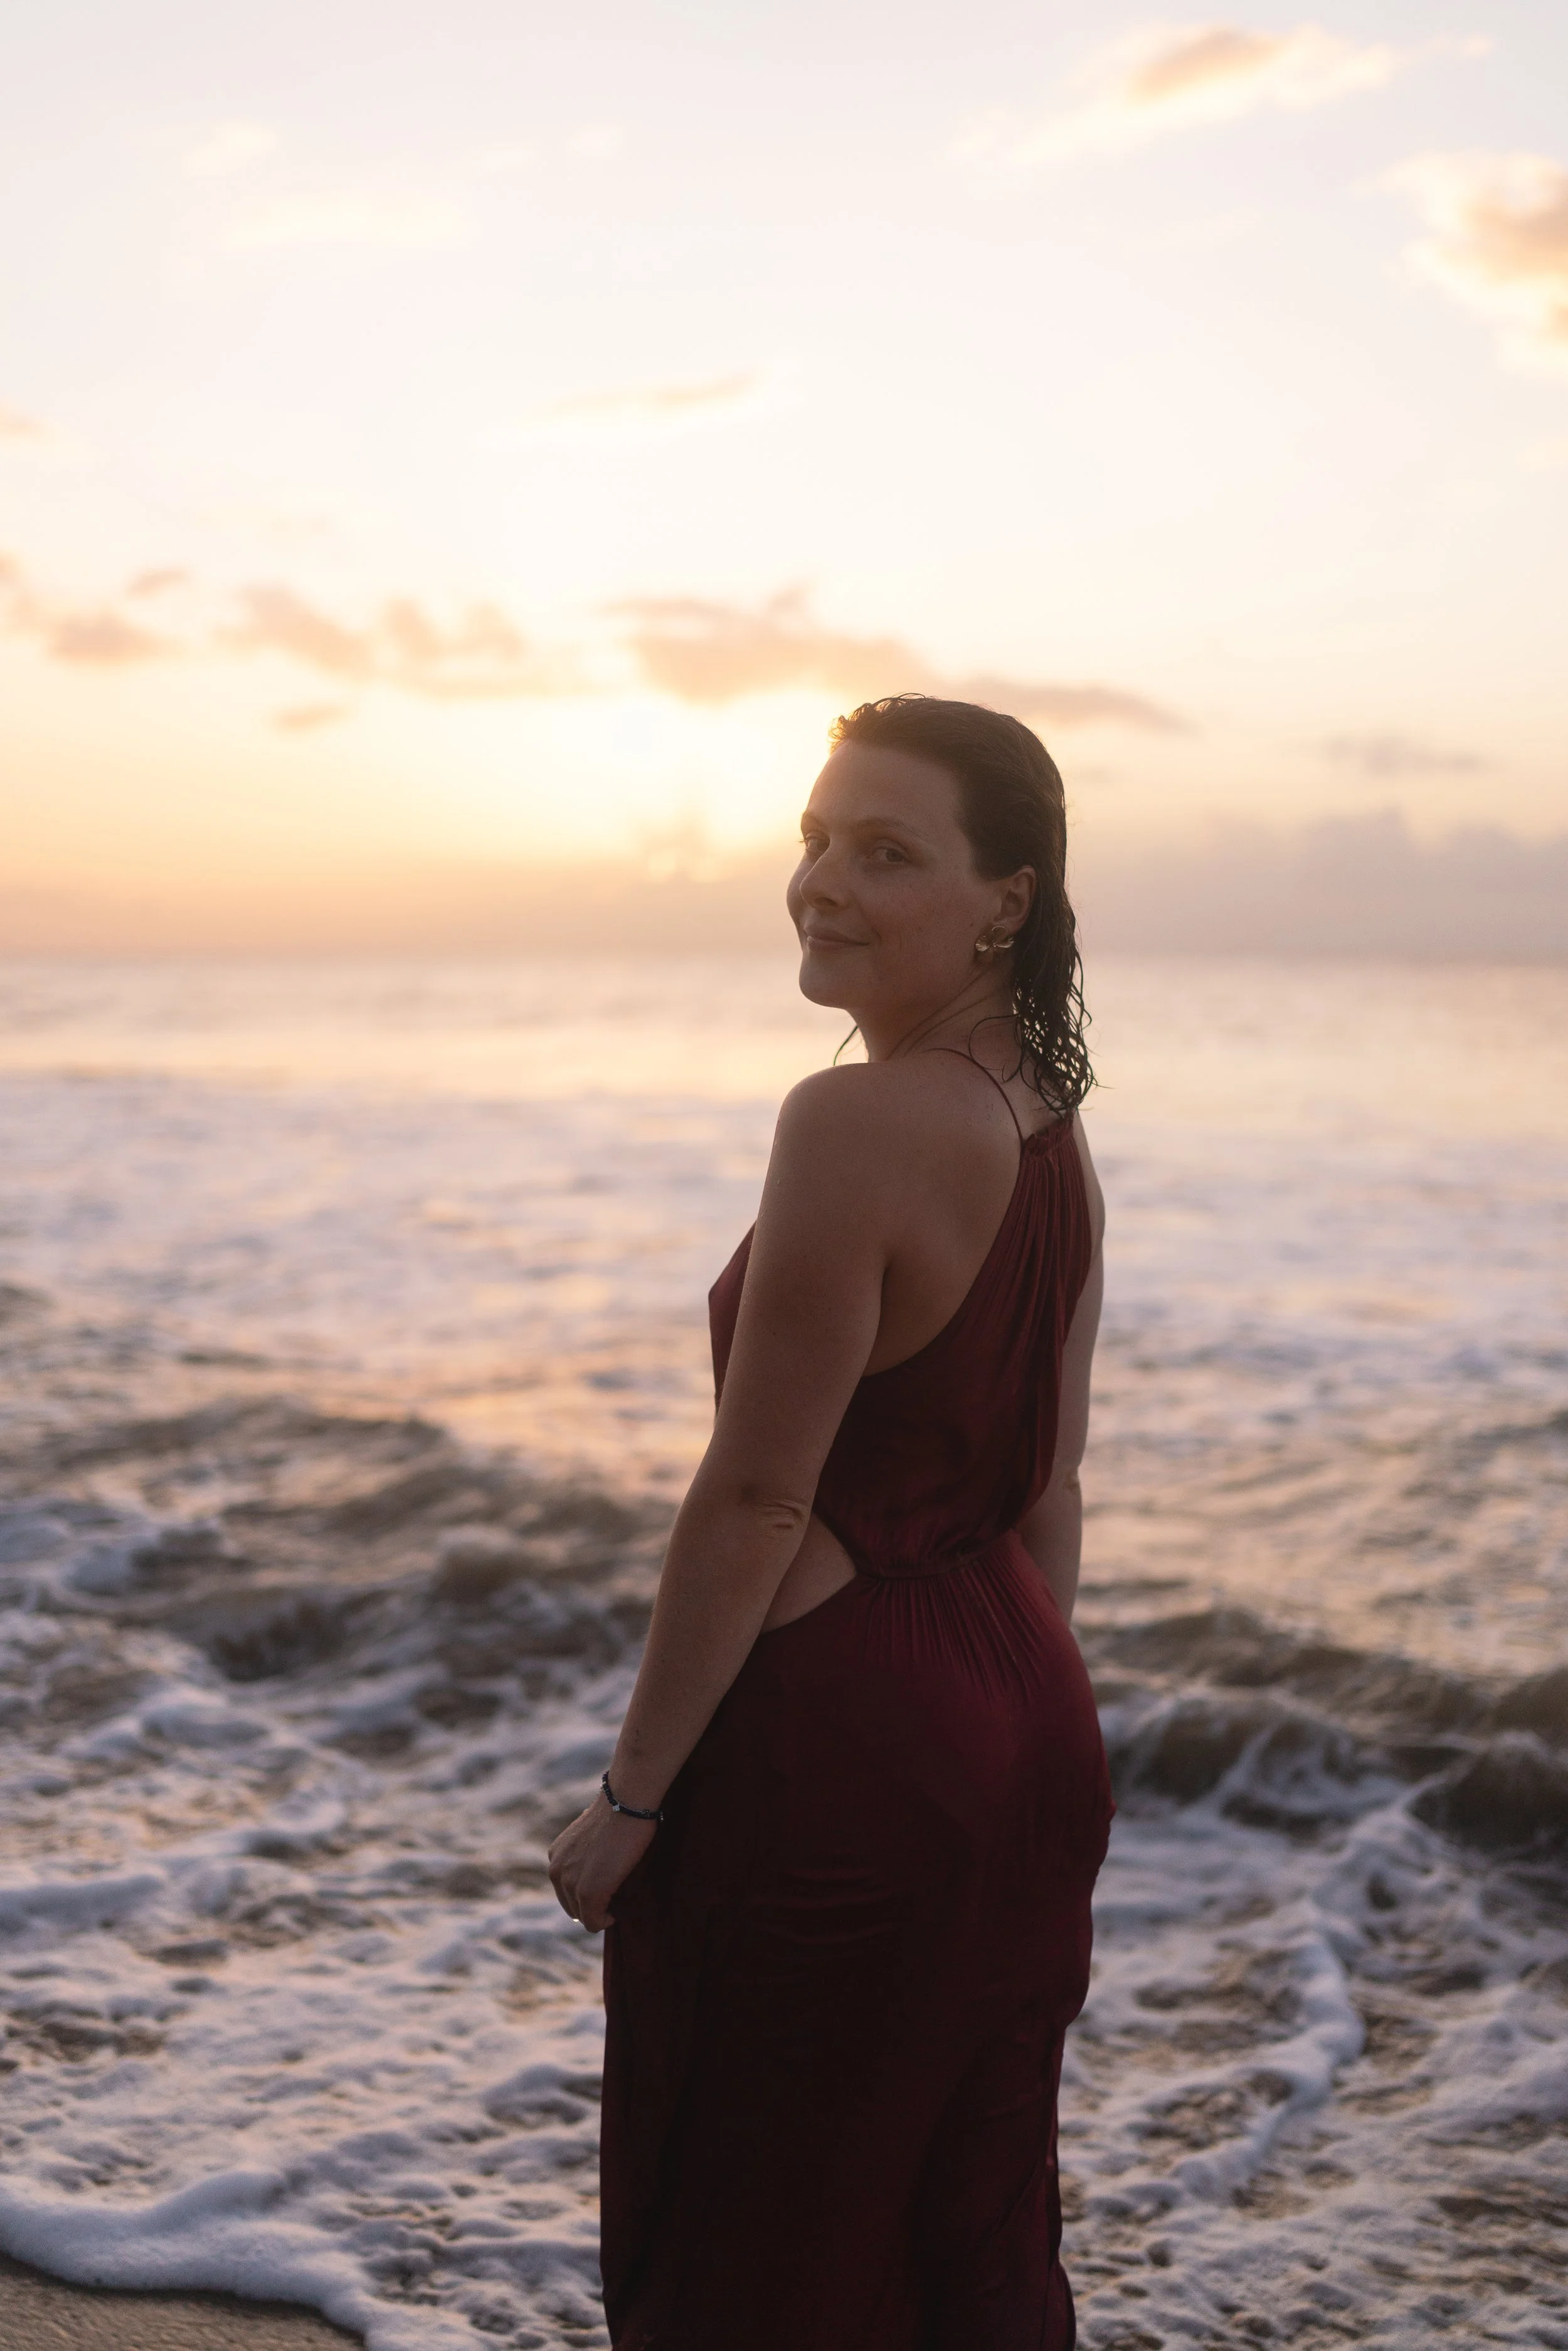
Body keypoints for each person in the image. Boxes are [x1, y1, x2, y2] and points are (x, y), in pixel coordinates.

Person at [549, 692, 1112, 2349]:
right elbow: (1049, 1481)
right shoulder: (1047, 1126)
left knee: (759, 2238)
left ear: (1005, 896)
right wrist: (1016, 1734)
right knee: (972, 2224)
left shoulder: (852, 1121)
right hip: (1022, 1719)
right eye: (812, 838)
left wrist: (627, 1798)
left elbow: (754, 1490)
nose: (821, 881)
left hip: (842, 1747)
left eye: (886, 852)